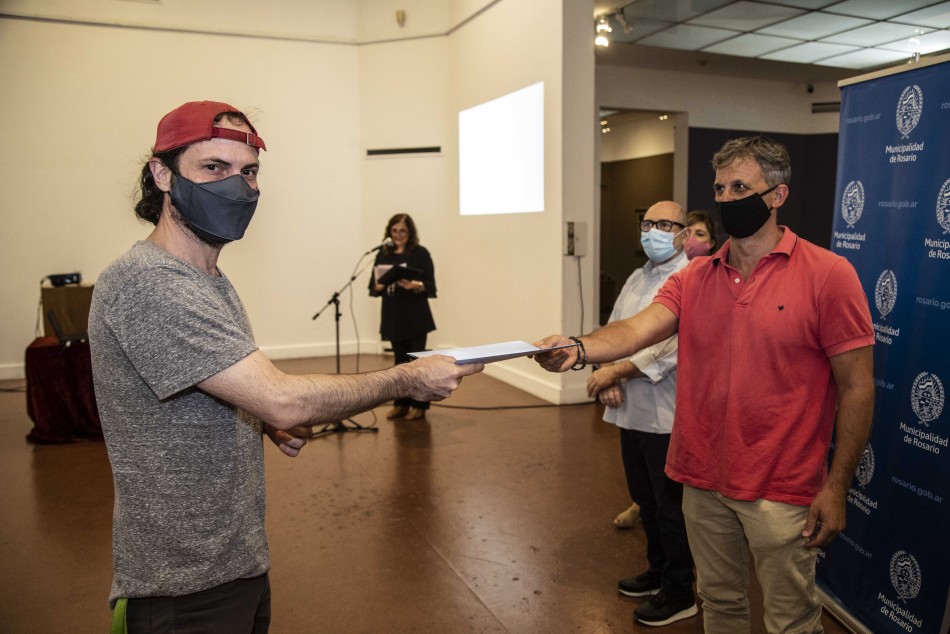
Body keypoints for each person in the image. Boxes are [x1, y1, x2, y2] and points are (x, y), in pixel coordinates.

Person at [88, 101, 482, 632]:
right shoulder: (151, 282)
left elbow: (227, 384)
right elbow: (284, 396)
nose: (237, 186)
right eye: (213, 168)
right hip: (183, 584)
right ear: (162, 174)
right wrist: (408, 377)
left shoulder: (207, 278)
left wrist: (262, 417)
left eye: (249, 172)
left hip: (235, 560)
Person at [534, 136, 874, 632]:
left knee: (791, 620)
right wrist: (579, 347)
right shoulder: (695, 278)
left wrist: (837, 486)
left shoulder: (828, 275)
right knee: (719, 604)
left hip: (781, 486)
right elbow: (635, 330)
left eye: (742, 186)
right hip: (701, 479)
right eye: (720, 187)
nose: (728, 198)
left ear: (777, 195)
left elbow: (857, 387)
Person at [586, 201, 696, 626]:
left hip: (666, 413)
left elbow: (670, 350)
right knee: (646, 501)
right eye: (648, 223)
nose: (654, 230)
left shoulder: (690, 278)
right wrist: (607, 372)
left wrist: (616, 371)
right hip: (629, 410)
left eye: (665, 224)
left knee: (670, 509)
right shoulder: (638, 275)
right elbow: (614, 331)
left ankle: (680, 590)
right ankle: (658, 571)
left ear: (684, 234)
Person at [369, 213, 437, 421]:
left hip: (416, 315)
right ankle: (401, 404)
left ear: (410, 233)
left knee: (417, 362)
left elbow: (430, 286)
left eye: (403, 231)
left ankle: (419, 406)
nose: (398, 235)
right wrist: (379, 285)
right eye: (394, 230)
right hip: (393, 314)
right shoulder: (383, 253)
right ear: (389, 231)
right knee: (399, 363)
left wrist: (414, 285)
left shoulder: (420, 254)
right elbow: (373, 287)